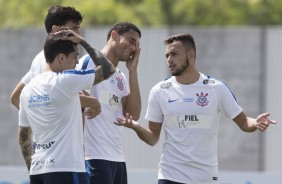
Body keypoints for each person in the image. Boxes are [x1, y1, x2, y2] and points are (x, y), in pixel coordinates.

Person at [115, 33, 277, 184]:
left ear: (191, 55)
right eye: (167, 55)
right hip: (170, 175)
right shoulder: (160, 91)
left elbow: (243, 122)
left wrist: (256, 123)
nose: (169, 59)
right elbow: (153, 138)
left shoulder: (216, 88)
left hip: (204, 177)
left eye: (175, 54)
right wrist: (135, 127)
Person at [18, 30, 115, 184]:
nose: (77, 62)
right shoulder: (65, 81)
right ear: (61, 58)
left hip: (38, 172)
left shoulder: (27, 90)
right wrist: (83, 42)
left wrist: (33, 169)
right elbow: (108, 70)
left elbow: (23, 134)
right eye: (75, 56)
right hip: (67, 169)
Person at [76, 22, 142, 184]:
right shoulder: (87, 63)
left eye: (137, 44)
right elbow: (71, 100)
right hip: (93, 158)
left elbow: (133, 115)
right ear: (114, 35)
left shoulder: (121, 77)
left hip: (117, 159)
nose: (134, 47)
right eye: (131, 40)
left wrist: (132, 71)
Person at [10, 5, 101, 118]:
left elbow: (15, 97)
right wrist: (92, 102)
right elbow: (53, 94)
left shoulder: (41, 57)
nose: (78, 34)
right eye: (74, 28)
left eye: (78, 28)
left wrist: (35, 121)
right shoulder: (50, 60)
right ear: (55, 30)